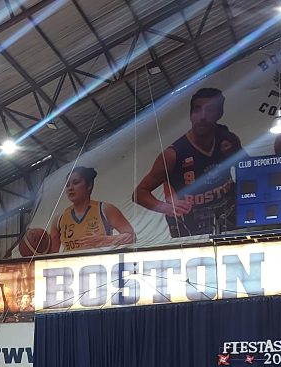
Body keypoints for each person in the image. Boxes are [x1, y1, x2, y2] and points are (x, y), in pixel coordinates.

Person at [134, 87, 244, 236]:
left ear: (220, 113)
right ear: (191, 115)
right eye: (197, 110)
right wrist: (164, 207)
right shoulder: (172, 154)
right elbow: (139, 193)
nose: (202, 116)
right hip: (192, 219)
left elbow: (248, 169)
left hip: (228, 210)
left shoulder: (228, 140)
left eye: (210, 110)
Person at [50, 166, 135, 253]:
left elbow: (132, 237)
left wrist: (104, 240)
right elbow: (52, 253)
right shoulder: (59, 219)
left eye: (76, 183)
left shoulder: (105, 209)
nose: (70, 188)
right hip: (70, 265)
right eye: (67, 185)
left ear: (89, 185)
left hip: (99, 264)